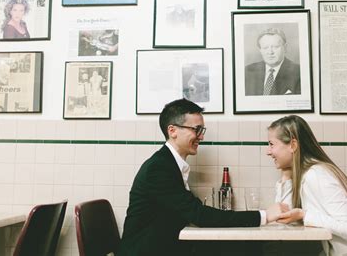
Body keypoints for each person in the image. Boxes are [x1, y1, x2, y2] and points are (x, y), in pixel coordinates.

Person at [118, 98, 288, 256]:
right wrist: (264, 216)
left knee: (245, 247)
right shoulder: (159, 168)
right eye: (196, 130)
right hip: (146, 252)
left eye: (202, 130)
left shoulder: (168, 164)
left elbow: (191, 212)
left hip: (164, 247)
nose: (201, 136)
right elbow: (198, 214)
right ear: (173, 131)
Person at [266, 115, 347, 256]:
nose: (268, 151)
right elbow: (282, 215)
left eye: (272, 144)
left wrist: (304, 215)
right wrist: (286, 175)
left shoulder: (317, 174)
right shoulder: (306, 175)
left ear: (293, 145)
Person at [245, 28, 300, 96]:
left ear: (285, 48)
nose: (270, 52)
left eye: (275, 47)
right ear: (260, 50)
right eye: (265, 47)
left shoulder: (299, 72)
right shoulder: (247, 71)